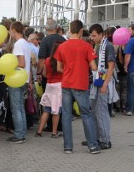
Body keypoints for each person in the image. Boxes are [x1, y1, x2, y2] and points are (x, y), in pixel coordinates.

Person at [54, 20, 99, 154]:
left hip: (66, 83)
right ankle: (92, 146)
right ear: (80, 31)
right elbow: (93, 67)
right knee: (86, 114)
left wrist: (69, 70)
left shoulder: (62, 46)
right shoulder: (86, 46)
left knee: (67, 115)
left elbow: (59, 68)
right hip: (80, 83)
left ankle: (68, 146)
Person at [88, 24, 117, 149]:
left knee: (101, 112)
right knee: (94, 111)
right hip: (97, 80)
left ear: (101, 34)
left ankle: (105, 140)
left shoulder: (108, 46)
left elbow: (111, 66)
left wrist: (105, 84)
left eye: (94, 35)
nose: (92, 38)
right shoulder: (98, 46)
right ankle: (97, 137)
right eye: (91, 35)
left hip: (103, 81)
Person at [6, 21, 30, 144]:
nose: (10, 33)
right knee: (20, 107)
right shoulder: (26, 43)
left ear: (14, 31)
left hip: (17, 79)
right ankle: (22, 132)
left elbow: (21, 63)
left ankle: (19, 134)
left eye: (10, 30)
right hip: (24, 78)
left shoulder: (18, 45)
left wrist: (9, 63)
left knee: (16, 108)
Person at [35, 40, 63, 138]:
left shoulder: (47, 60)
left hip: (49, 85)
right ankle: (54, 132)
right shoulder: (62, 61)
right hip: (59, 86)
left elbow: (44, 74)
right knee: (56, 111)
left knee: (46, 109)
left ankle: (39, 131)